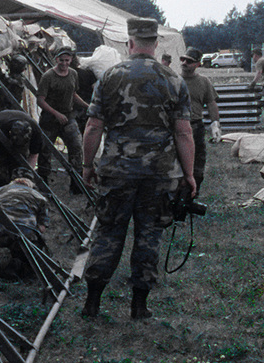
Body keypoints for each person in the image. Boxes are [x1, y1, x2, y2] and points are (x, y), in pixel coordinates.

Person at [79, 16, 197, 319]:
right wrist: (189, 174)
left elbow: (93, 126)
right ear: (155, 44)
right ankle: (139, 305)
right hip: (158, 174)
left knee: (108, 232)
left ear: (130, 43)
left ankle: (92, 302)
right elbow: (184, 131)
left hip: (117, 170)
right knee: (149, 235)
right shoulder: (173, 80)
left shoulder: (110, 77)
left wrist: (87, 165)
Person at [0, 167, 49, 279]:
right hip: (23, 237)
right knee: (36, 236)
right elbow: (42, 228)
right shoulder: (40, 197)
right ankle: (19, 262)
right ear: (32, 182)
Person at [35, 49, 89, 193]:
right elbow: (40, 100)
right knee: (45, 150)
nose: (64, 63)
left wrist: (87, 106)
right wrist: (56, 113)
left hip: (68, 117)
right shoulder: (48, 76)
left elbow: (73, 94)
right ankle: (43, 183)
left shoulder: (73, 74)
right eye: (62, 60)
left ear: (71, 60)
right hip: (49, 119)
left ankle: (76, 183)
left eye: (67, 60)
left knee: (76, 147)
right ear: (56, 59)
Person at [179, 49, 222, 188]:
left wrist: (215, 124)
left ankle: (193, 193)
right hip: (177, 126)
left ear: (198, 64)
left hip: (195, 126)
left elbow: (211, 103)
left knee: (197, 161)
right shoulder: (173, 80)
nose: (184, 63)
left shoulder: (203, 81)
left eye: (189, 61)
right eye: (183, 59)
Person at [0, 106, 43, 189]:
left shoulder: (36, 131)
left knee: (19, 164)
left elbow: (33, 156)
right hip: (1, 130)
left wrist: (25, 173)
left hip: (19, 137)